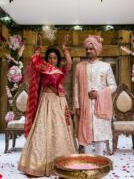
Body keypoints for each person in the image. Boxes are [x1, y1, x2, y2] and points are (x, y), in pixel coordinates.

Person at [18, 35, 76, 177]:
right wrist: (38, 47)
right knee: (42, 131)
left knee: (60, 130)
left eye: (54, 58)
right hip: (46, 102)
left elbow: (69, 63)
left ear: (57, 59)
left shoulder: (60, 71)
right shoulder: (42, 68)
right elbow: (33, 62)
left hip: (59, 102)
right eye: (49, 57)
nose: (52, 60)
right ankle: (38, 164)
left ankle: (62, 164)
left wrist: (65, 48)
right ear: (46, 59)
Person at [74, 35, 117, 155]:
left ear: (97, 49)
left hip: (100, 105)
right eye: (87, 49)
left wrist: (99, 94)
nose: (88, 51)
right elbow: (76, 87)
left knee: (99, 134)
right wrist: (77, 106)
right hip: (85, 104)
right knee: (86, 133)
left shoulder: (105, 66)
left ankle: (99, 161)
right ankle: (87, 159)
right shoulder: (80, 66)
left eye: (91, 49)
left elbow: (113, 86)